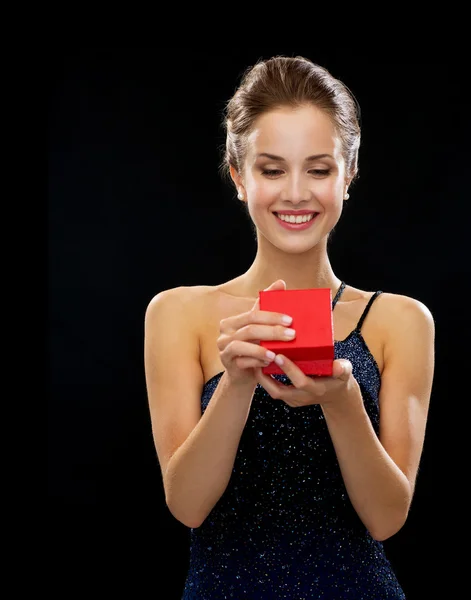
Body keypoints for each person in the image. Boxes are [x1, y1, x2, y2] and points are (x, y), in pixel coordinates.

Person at [144, 55, 435, 599]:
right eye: (272, 169)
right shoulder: (178, 313)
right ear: (238, 177)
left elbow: (386, 518)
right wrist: (235, 380)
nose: (296, 193)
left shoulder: (400, 320)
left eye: (319, 169)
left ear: (347, 176)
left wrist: (343, 397)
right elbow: (188, 504)